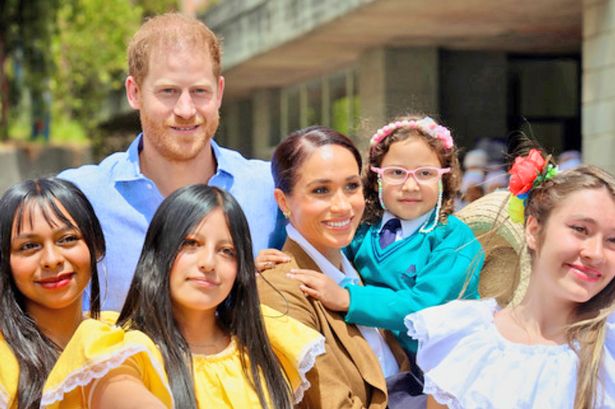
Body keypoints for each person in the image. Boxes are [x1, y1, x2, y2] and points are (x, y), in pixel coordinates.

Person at [58, 13, 283, 311]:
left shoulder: (271, 190)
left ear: (219, 92)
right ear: (134, 92)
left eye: (199, 91)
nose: (186, 109)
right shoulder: (79, 197)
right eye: (168, 91)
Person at [405, 149, 615, 408]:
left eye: (613, 240)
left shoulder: (609, 351)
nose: (595, 253)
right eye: (580, 229)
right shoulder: (466, 338)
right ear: (534, 230)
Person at [90, 184, 324, 409]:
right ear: (159, 251)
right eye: (191, 244)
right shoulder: (125, 350)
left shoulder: (267, 342)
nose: (208, 263)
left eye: (227, 251)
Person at [280, 116, 483, 356]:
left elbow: (425, 307)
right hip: (388, 365)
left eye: (425, 173)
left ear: (444, 178)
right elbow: (326, 261)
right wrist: (278, 260)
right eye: (396, 172)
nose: (410, 186)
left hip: (446, 368)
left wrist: (348, 299)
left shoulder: (453, 239)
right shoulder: (363, 230)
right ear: (376, 178)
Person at [257, 126, 410, 409]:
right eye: (321, 190)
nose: (342, 206)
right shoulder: (279, 290)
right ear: (283, 201)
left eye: (351, 186)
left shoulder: (361, 268)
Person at [0, 178, 117, 408]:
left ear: (96, 247)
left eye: (68, 239)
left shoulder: (119, 335)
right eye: (29, 246)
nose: (51, 260)